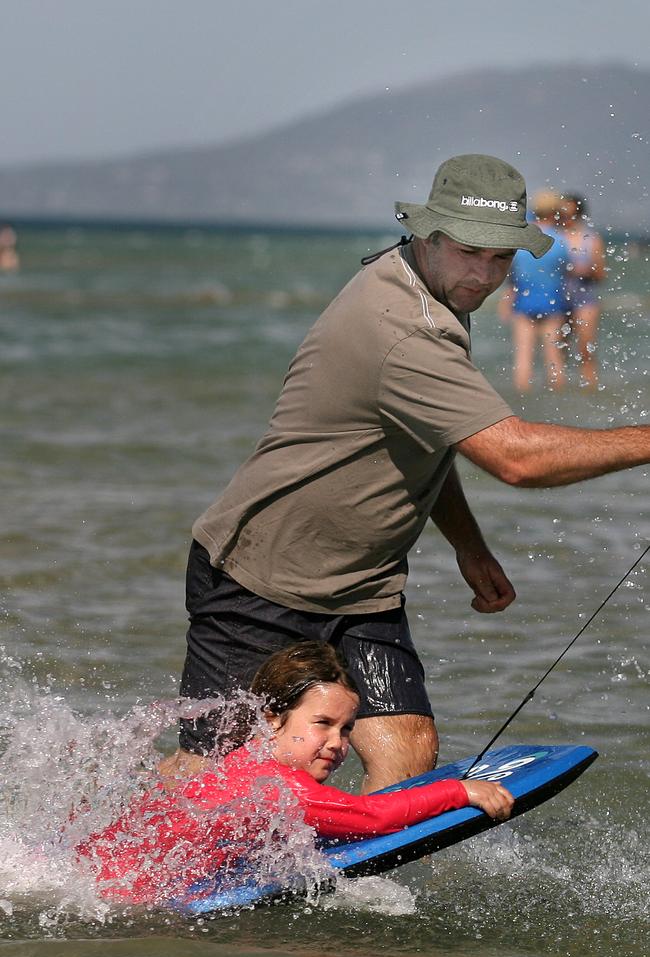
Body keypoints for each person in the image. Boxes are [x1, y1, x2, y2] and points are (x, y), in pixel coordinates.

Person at [173, 153, 650, 795]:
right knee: (216, 779)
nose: (484, 276)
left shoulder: (427, 288)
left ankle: (335, 883)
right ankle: (109, 873)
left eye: (501, 258)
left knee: (407, 754)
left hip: (363, 585)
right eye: (468, 253)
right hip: (262, 576)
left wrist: (468, 544)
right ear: (428, 236)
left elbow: (419, 440)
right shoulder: (405, 328)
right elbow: (517, 457)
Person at [77, 641, 514, 905]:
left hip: (88, 872)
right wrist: (459, 792)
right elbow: (374, 817)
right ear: (272, 718)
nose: (336, 744)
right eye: (322, 724)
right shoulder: (282, 788)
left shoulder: (243, 762)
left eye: (346, 730)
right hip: (115, 898)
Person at [499, 190, 571, 391]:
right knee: (554, 357)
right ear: (555, 211)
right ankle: (559, 406)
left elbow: (512, 275)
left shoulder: (522, 239)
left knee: (523, 356)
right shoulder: (561, 240)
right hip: (553, 302)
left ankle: (523, 408)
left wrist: (506, 300)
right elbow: (566, 272)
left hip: (524, 301)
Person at [559, 192, 606, 389]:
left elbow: (601, 274)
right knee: (558, 351)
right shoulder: (555, 238)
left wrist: (587, 271)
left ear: (579, 215)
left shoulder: (591, 239)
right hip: (558, 300)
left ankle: (590, 390)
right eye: (563, 214)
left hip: (585, 299)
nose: (566, 219)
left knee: (586, 349)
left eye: (571, 214)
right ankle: (559, 397)